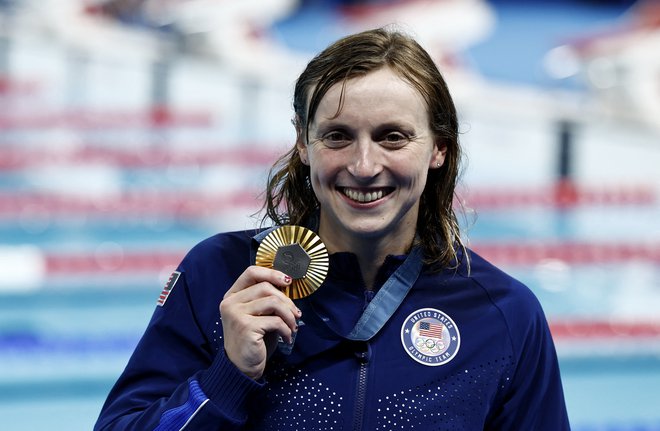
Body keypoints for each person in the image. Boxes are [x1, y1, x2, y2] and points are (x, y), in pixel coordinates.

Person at [94, 27, 570, 430]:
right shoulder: (218, 274)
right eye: (338, 136)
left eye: (393, 137)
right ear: (304, 144)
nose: (364, 166)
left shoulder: (504, 314)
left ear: (438, 149)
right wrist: (229, 376)